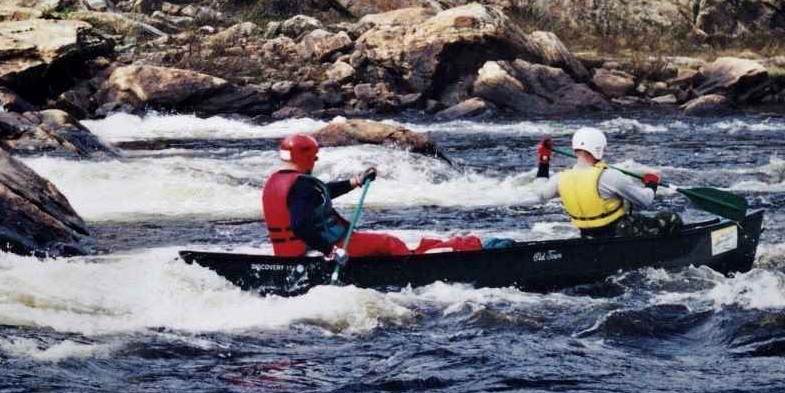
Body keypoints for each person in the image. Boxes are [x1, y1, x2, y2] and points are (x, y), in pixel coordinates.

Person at [261, 133, 483, 258]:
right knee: (390, 242)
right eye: (315, 156)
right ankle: (419, 267)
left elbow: (319, 194)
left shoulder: (276, 181)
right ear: (306, 156)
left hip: (291, 253)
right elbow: (300, 225)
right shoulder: (301, 185)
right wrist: (331, 251)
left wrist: (355, 181)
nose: (316, 160)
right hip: (326, 247)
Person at [519, 127, 680, 239]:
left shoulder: (560, 178)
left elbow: (540, 194)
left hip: (587, 235)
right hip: (619, 234)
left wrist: (544, 161)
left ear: (575, 149)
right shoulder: (609, 176)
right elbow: (645, 200)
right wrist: (651, 184)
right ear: (598, 149)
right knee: (670, 217)